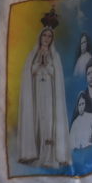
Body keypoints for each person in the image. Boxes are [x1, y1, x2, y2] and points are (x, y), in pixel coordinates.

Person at [17, 18, 67, 167]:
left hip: (50, 93)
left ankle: (49, 155)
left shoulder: (55, 56)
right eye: (44, 35)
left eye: (49, 36)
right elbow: (29, 73)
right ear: (40, 37)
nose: (46, 38)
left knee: (49, 121)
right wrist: (39, 63)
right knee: (38, 118)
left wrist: (48, 63)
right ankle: (36, 152)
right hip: (37, 92)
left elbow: (56, 75)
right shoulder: (33, 54)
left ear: (52, 39)